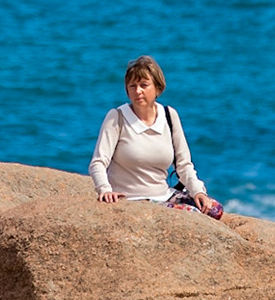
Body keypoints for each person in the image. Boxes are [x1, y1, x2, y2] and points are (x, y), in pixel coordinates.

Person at [89, 55, 222, 218]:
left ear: (157, 88)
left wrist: (198, 192)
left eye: (144, 85)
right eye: (132, 86)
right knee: (193, 215)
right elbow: (98, 162)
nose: (138, 91)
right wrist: (105, 190)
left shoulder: (169, 115)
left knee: (214, 210)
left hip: (164, 196)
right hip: (132, 199)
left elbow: (184, 164)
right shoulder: (117, 117)